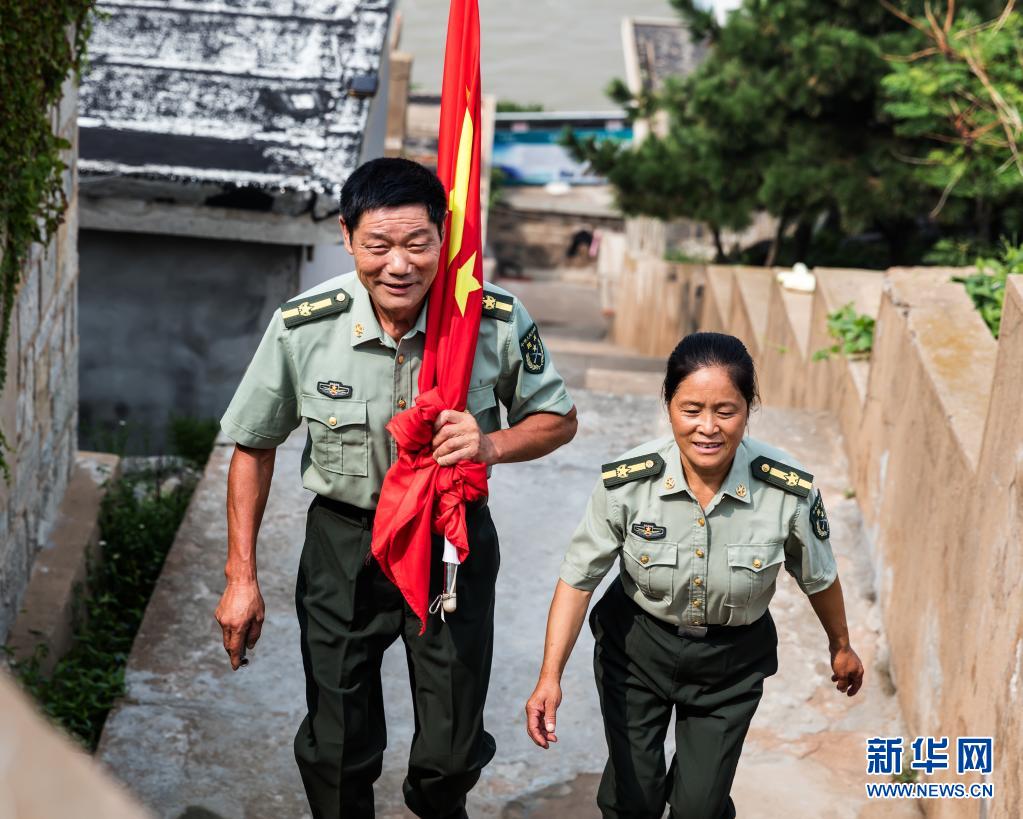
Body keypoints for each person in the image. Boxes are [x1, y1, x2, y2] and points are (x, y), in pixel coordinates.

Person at [214, 157, 577, 819]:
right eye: (378, 245)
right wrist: (241, 575)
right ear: (347, 237)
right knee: (336, 742)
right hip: (343, 539)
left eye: (418, 243)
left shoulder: (487, 319)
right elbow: (253, 443)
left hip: (451, 539)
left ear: (444, 237)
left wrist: (490, 442)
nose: (399, 265)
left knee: (449, 751)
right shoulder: (305, 324)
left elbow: (558, 419)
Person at [524, 332, 863, 819]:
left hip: (730, 664)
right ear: (668, 405)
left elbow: (819, 575)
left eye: (726, 411)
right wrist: (549, 678)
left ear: (749, 408)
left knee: (699, 808)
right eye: (691, 409)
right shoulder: (628, 484)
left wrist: (841, 644)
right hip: (637, 650)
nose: (708, 427)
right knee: (632, 801)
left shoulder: (787, 489)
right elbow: (578, 579)